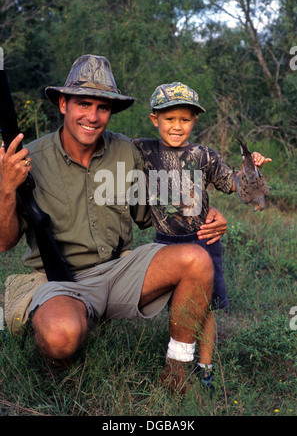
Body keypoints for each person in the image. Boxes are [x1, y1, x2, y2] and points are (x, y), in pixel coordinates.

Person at [0, 55, 227, 396]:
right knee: (62, 335)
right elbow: (5, 242)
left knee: (196, 259)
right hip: (59, 280)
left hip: (120, 270)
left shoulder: (125, 150)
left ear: (111, 112)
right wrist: (5, 189)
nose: (92, 116)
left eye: (103, 107)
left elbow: (151, 212)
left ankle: (176, 374)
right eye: (83, 103)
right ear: (63, 104)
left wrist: (209, 213)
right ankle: (62, 370)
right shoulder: (28, 158)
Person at [133, 82, 271, 390]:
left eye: (185, 119)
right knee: (175, 305)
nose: (177, 126)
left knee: (204, 307)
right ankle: (176, 356)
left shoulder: (204, 156)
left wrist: (251, 169)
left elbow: (231, 182)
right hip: (164, 242)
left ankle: (205, 368)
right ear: (155, 119)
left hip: (202, 240)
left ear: (194, 121)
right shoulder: (143, 150)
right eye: (169, 119)